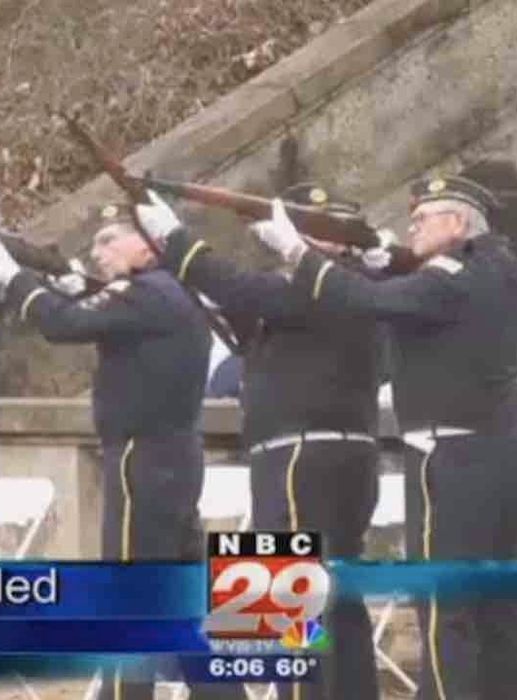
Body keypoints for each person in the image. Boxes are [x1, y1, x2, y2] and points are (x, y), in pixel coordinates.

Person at [249, 164, 517, 700]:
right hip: (332, 453)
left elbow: (220, 283)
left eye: (422, 217)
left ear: (459, 225)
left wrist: (176, 239)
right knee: (481, 611)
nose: (410, 226)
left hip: (313, 455)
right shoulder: (487, 270)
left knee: (441, 609)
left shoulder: (445, 278)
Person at [0, 202, 244, 700]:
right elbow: (99, 318)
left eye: (109, 240)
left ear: (147, 242)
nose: (97, 253)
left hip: (142, 456)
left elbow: (62, 326)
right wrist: (76, 289)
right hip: (173, 457)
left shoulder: (146, 293)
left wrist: (10, 274)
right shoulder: (165, 293)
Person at [141, 183, 383, 700]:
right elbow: (248, 315)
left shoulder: (321, 285)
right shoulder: (352, 286)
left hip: (298, 453)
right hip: (332, 453)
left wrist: (177, 241)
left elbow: (243, 289)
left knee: (288, 594)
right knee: (338, 600)